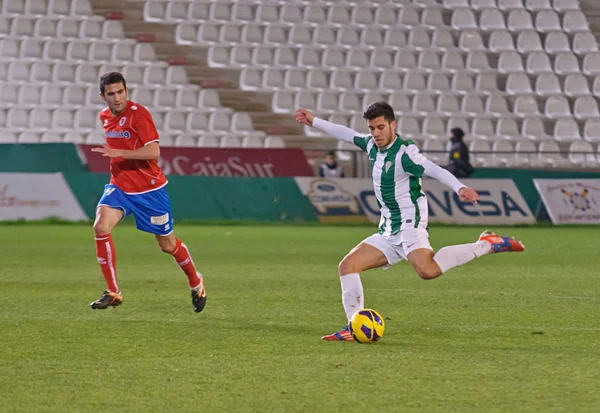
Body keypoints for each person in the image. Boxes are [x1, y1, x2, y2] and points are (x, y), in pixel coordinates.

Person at [293, 102, 524, 341]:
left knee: (427, 270)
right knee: (347, 266)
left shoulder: (405, 153)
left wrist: (460, 187)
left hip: (409, 223)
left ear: (393, 125)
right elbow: (347, 134)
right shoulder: (372, 146)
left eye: (381, 127)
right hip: (388, 228)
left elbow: (434, 169)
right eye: (372, 128)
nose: (376, 133)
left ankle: (486, 244)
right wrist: (315, 121)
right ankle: (354, 326)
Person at [89, 72, 207, 313]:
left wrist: (119, 154)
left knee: (167, 245)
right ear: (103, 96)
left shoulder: (138, 115)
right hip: (120, 185)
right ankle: (113, 292)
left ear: (126, 91)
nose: (117, 98)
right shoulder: (104, 116)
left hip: (149, 190)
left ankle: (196, 283)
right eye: (111, 94)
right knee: (101, 227)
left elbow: (153, 152)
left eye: (120, 92)